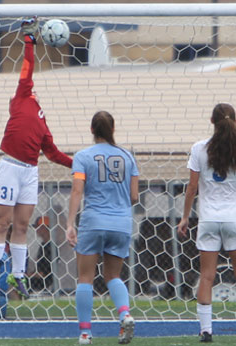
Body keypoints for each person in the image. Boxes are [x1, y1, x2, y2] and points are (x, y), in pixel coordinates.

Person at [0, 16, 72, 301]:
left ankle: (18, 276)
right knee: (3, 223)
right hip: (10, 166)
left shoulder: (42, 121)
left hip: (30, 171)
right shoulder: (22, 96)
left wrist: (77, 163)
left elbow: (53, 153)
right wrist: (29, 39)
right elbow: (27, 66)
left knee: (23, 226)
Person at [177, 103, 236, 343]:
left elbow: (192, 187)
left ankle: (206, 331)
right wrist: (234, 194)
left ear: (211, 121)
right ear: (235, 121)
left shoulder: (199, 148)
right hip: (234, 218)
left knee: (207, 276)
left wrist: (185, 217)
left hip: (209, 219)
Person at [66, 111, 139, 345]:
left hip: (93, 222)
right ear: (113, 130)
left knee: (85, 278)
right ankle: (125, 314)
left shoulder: (83, 157)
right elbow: (135, 196)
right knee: (113, 276)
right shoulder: (128, 157)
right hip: (120, 223)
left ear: (91, 130)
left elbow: (77, 190)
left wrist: (70, 223)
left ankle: (85, 333)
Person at [28, 216, 54, 293]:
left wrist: (28, 275)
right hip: (38, 278)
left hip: (44, 281)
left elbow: (43, 273)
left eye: (38, 227)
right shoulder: (43, 244)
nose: (36, 230)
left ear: (45, 228)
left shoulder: (50, 247)